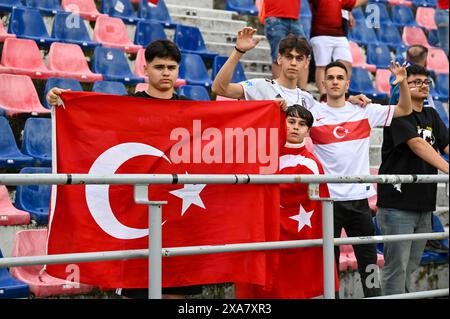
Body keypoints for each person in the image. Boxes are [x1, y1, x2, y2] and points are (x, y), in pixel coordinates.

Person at [46, 39, 203, 299]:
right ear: (145, 69)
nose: (166, 72)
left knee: (179, 292)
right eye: (160, 66)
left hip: (179, 214)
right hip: (135, 212)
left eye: (172, 67)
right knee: (136, 290)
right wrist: (64, 101)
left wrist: (271, 111)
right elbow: (94, 130)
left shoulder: (192, 110)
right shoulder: (126, 108)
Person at [306, 60, 412, 297]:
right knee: (327, 262)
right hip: (328, 203)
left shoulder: (365, 110)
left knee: (369, 261)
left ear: (347, 83)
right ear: (323, 82)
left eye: (339, 78)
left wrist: (403, 83)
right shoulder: (313, 113)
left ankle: (373, 296)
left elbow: (404, 109)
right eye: (330, 77)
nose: (334, 81)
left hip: (360, 201)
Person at [236, 104, 338, 298]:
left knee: (289, 289)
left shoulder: (310, 163)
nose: (295, 127)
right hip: (265, 234)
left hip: (294, 239)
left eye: (301, 124)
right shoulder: (264, 155)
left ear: (308, 131)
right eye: (291, 122)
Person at [376, 64, 449, 296]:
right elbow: (417, 144)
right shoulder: (396, 114)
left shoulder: (432, 114)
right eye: (415, 81)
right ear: (403, 86)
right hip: (397, 205)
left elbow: (446, 144)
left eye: (426, 82)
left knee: (411, 268)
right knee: (395, 269)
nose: (423, 85)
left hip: (424, 205)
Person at [211, 27, 370, 111]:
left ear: (306, 63)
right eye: (289, 57)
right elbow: (219, 88)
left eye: (299, 58)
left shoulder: (307, 99)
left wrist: (349, 101)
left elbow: (331, 112)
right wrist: (238, 51)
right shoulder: (260, 86)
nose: (293, 62)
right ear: (279, 59)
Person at [308, 0, 368, 102]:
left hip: (339, 35)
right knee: (322, 66)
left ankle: (343, 94)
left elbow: (354, 3)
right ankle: (324, 96)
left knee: (346, 64)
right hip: (320, 33)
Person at [262, 0, 309, 90]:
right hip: (275, 15)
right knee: (278, 55)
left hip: (294, 18)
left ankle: (303, 93)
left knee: (305, 54)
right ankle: (279, 91)